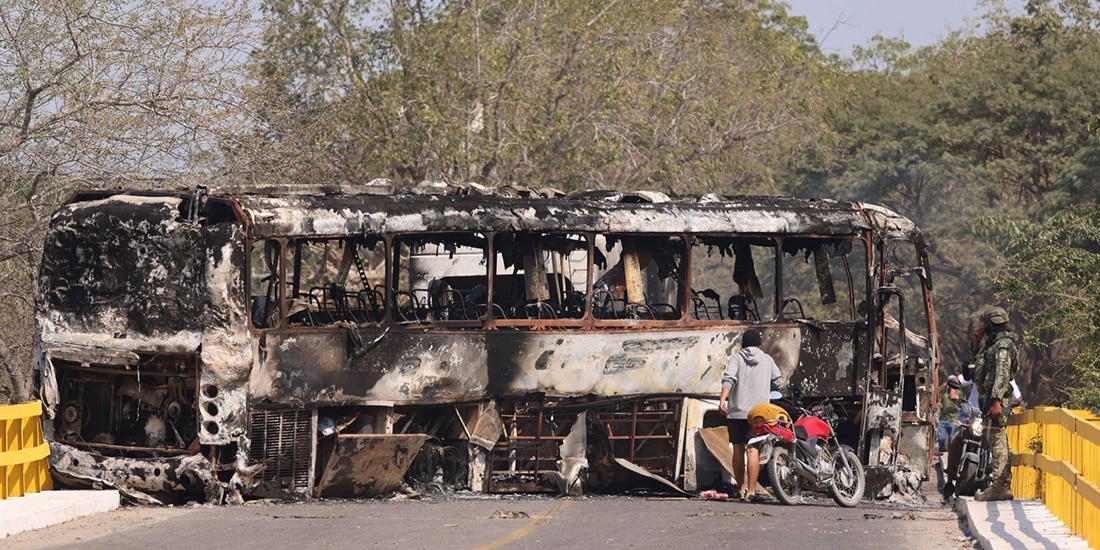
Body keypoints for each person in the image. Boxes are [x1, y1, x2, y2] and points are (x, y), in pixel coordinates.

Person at [719, 329, 784, 502]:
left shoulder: (737, 358)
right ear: (759, 344)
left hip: (736, 412)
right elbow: (779, 381)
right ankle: (752, 492)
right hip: (757, 414)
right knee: (753, 450)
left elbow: (729, 378)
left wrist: (723, 400)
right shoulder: (767, 359)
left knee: (738, 450)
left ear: (743, 344)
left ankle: (740, 489)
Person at [971, 306, 1020, 502]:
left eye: (985, 325)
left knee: (997, 438)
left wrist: (996, 400)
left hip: (995, 399)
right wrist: (976, 343)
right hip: (988, 398)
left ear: (989, 324)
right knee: (996, 440)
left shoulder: (1002, 346)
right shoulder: (991, 344)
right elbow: (980, 365)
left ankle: (1000, 485)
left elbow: (1001, 374)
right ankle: (1002, 482)